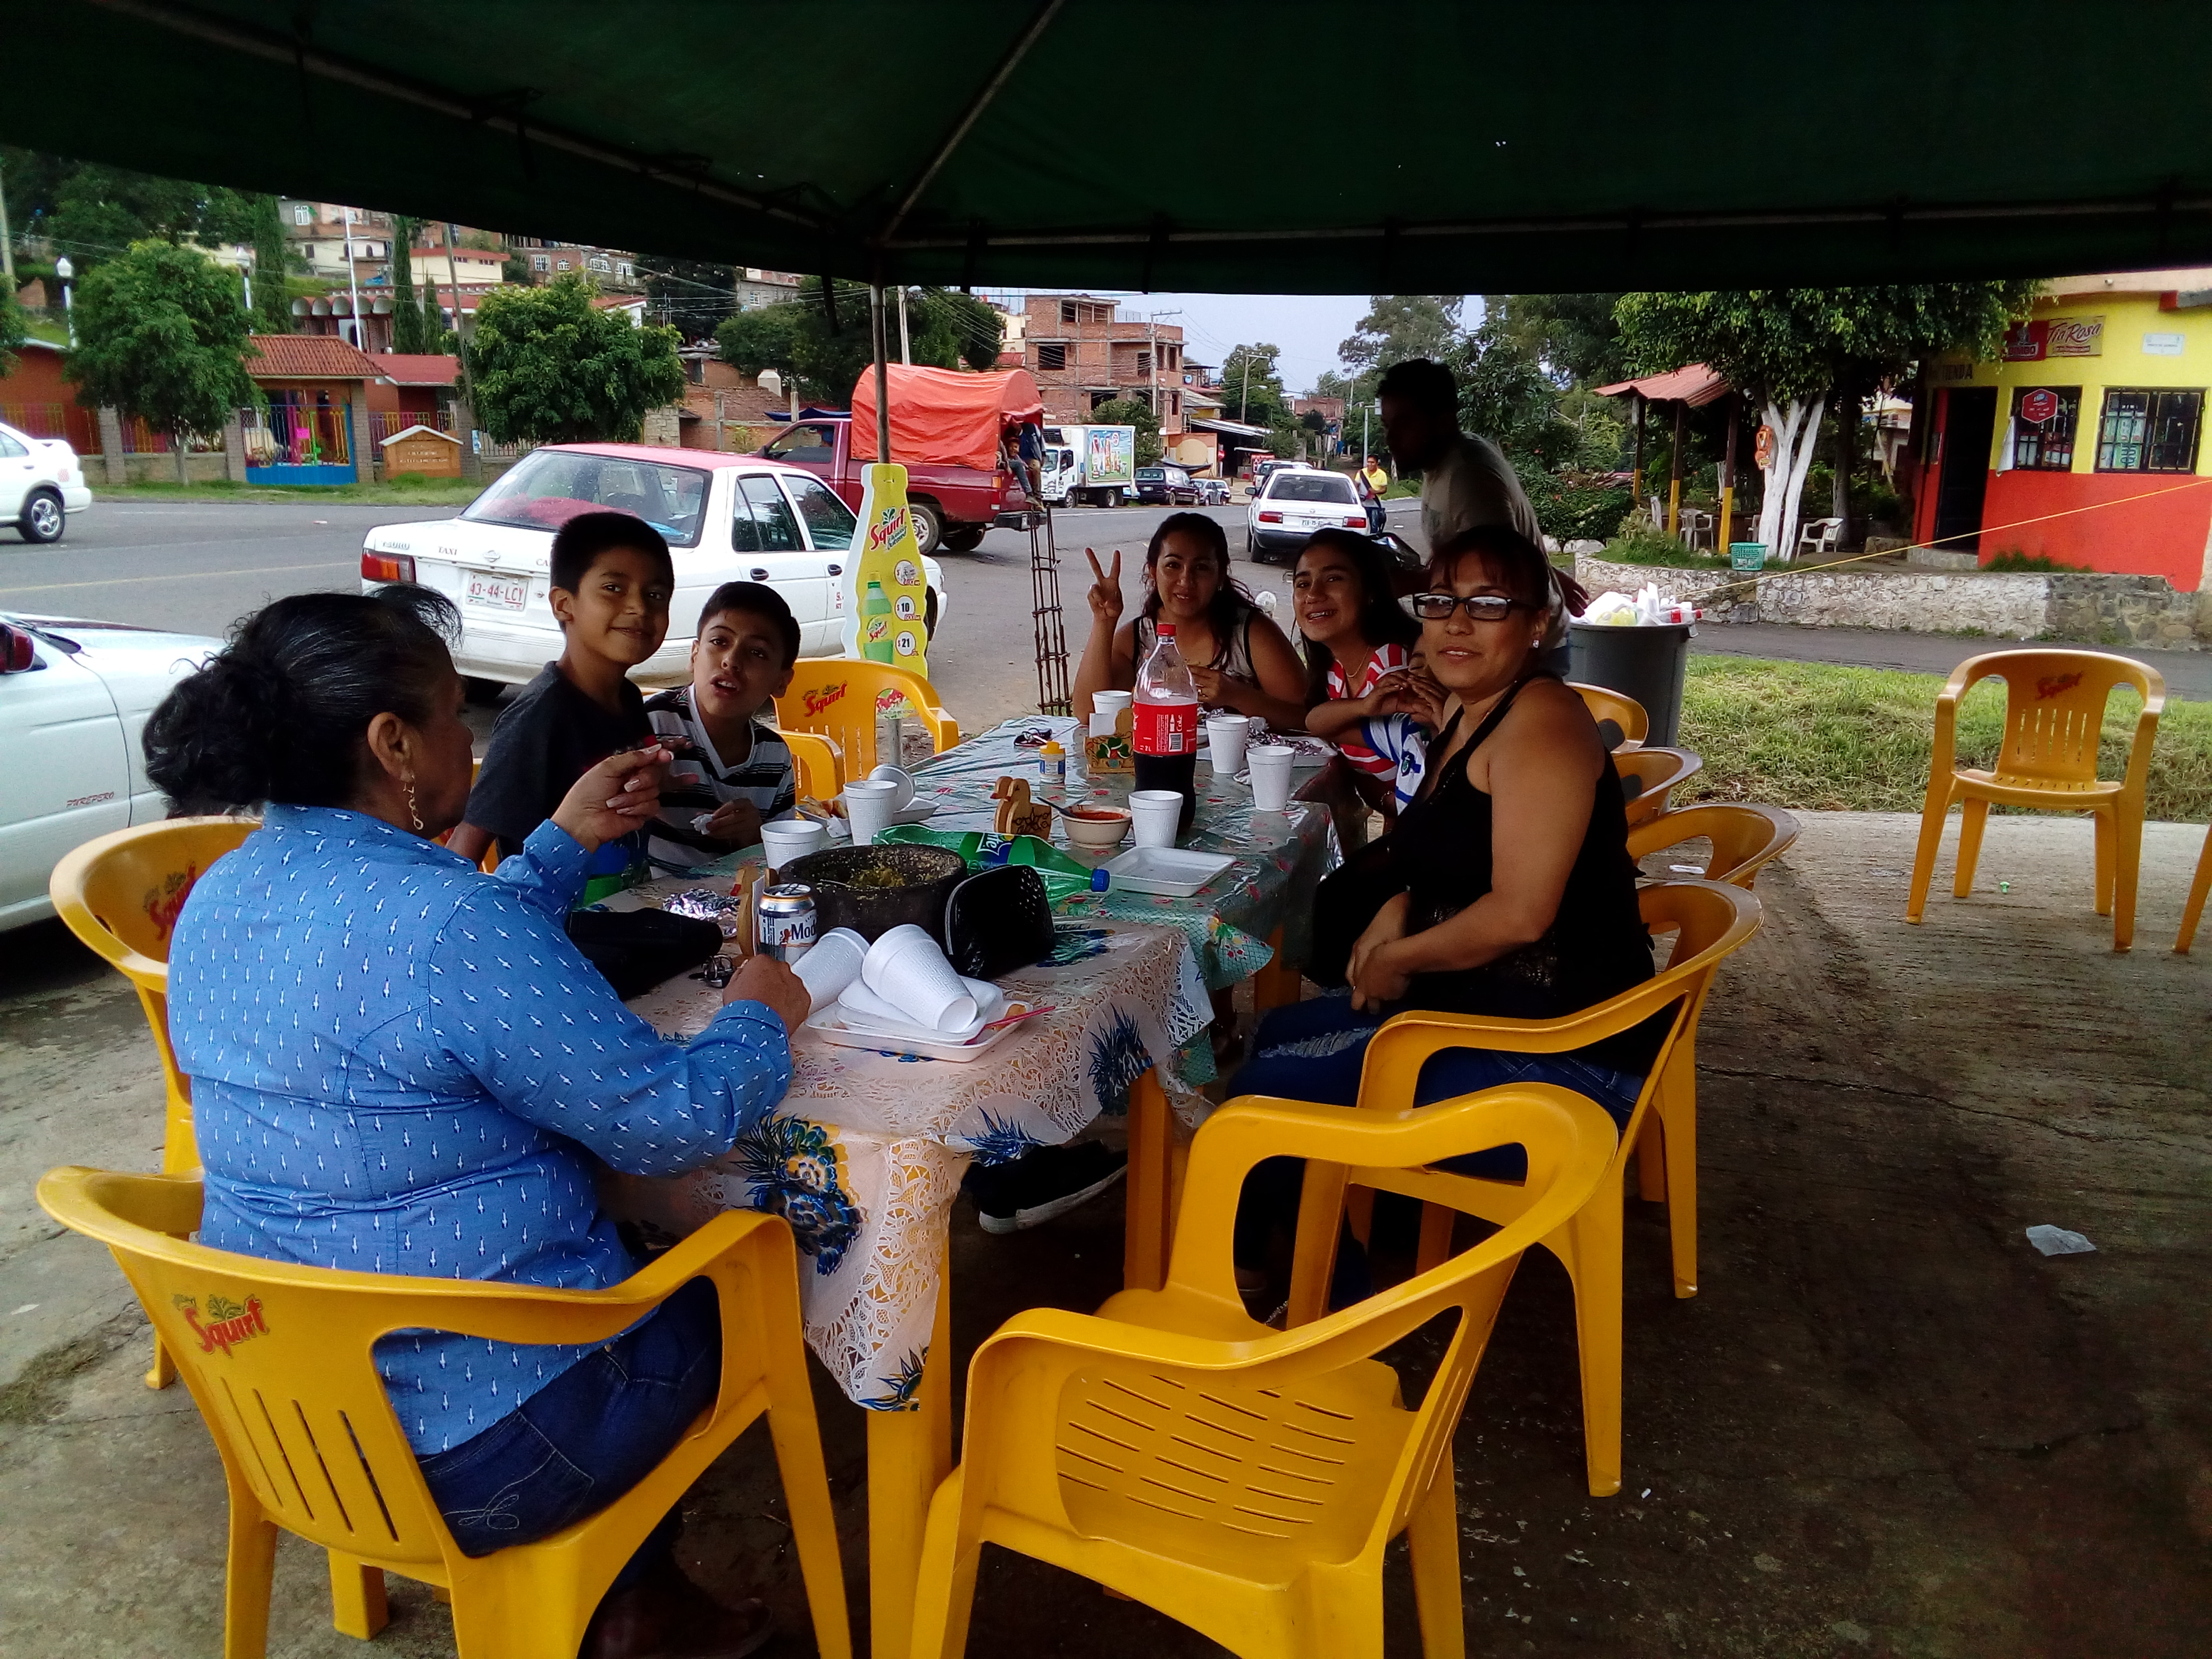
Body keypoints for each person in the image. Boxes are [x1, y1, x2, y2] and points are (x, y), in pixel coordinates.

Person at [145, 585, 810, 1659]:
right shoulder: (450, 925)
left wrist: (556, 840)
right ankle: (628, 1598)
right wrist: (756, 1020)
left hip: (290, 1417)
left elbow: (442, 965)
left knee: (602, 1241)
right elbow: (672, 1122)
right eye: (456, 714)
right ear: (393, 744)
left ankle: (631, 1603)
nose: (473, 736)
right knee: (742, 1276)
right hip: (487, 1451)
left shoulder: (222, 894)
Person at [1230, 524, 1661, 1300]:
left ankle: (1325, 1310)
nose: (1457, 623)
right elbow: (1447, 849)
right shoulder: (1467, 711)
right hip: (1493, 1009)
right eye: (1442, 602)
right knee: (1274, 1037)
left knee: (1264, 1098)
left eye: (1489, 605)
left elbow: (1522, 914)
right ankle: (1290, 1275)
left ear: (1537, 625)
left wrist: (1398, 957)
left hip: (1568, 1063)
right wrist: (1400, 902)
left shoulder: (1543, 724)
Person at [447, 511, 674, 898]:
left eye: (655, 595)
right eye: (614, 589)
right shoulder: (538, 715)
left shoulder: (629, 699)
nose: (639, 607)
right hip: (550, 926)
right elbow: (467, 847)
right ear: (564, 604)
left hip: (621, 914)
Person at [1070, 510, 1306, 730]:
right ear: (1153, 572)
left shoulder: (1251, 633)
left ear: (1221, 574)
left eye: (1201, 568)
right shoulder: (1136, 639)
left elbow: (1306, 717)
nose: (1186, 580)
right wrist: (1104, 622)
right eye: (1173, 565)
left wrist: (1237, 695)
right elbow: (1089, 713)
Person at [644, 581, 801, 871]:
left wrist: (753, 836)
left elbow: (783, 863)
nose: (731, 660)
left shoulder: (774, 756)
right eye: (719, 642)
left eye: (757, 653)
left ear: (781, 682)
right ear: (694, 655)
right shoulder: (653, 725)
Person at [1289, 529, 1422, 845]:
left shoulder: (1394, 664)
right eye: (1303, 583)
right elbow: (1320, 723)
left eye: (1333, 579)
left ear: (1370, 591)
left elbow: (1414, 764)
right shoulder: (1336, 671)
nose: (1313, 594)